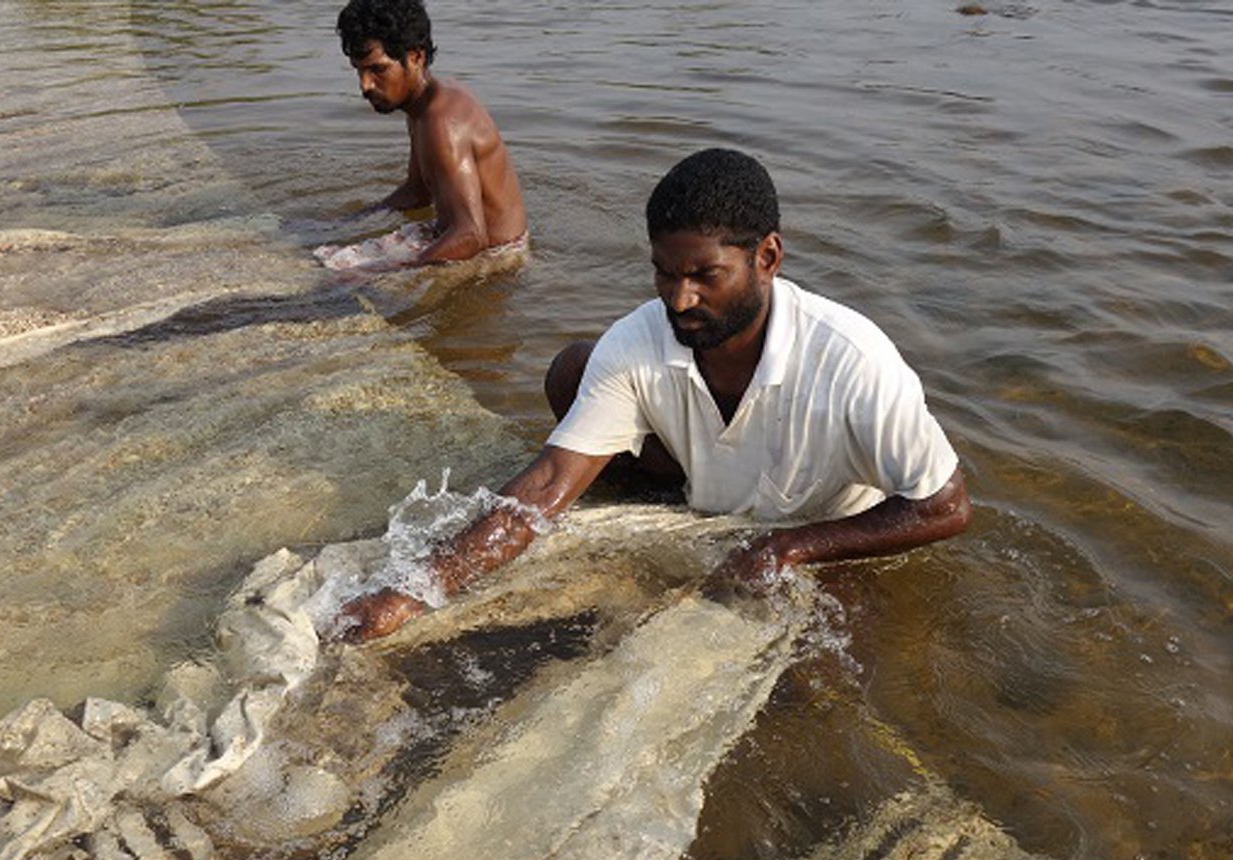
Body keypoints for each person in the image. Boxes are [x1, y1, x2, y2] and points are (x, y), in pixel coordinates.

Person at [342, 148, 971, 640]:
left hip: (820, 530)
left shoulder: (852, 361)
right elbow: (541, 489)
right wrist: (413, 591)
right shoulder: (639, 339)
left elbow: (945, 506)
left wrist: (793, 545)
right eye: (665, 273)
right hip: (710, 492)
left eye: (706, 275)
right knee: (575, 370)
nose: (680, 299)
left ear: (768, 258)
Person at [323, 0, 527, 268]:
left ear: (415, 57)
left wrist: (391, 272)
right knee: (327, 258)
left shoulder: (442, 121)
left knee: (338, 281)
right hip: (454, 236)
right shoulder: (422, 107)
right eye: (359, 70)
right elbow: (417, 193)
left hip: (495, 258)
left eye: (377, 69)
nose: (364, 86)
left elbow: (471, 235)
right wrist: (351, 220)